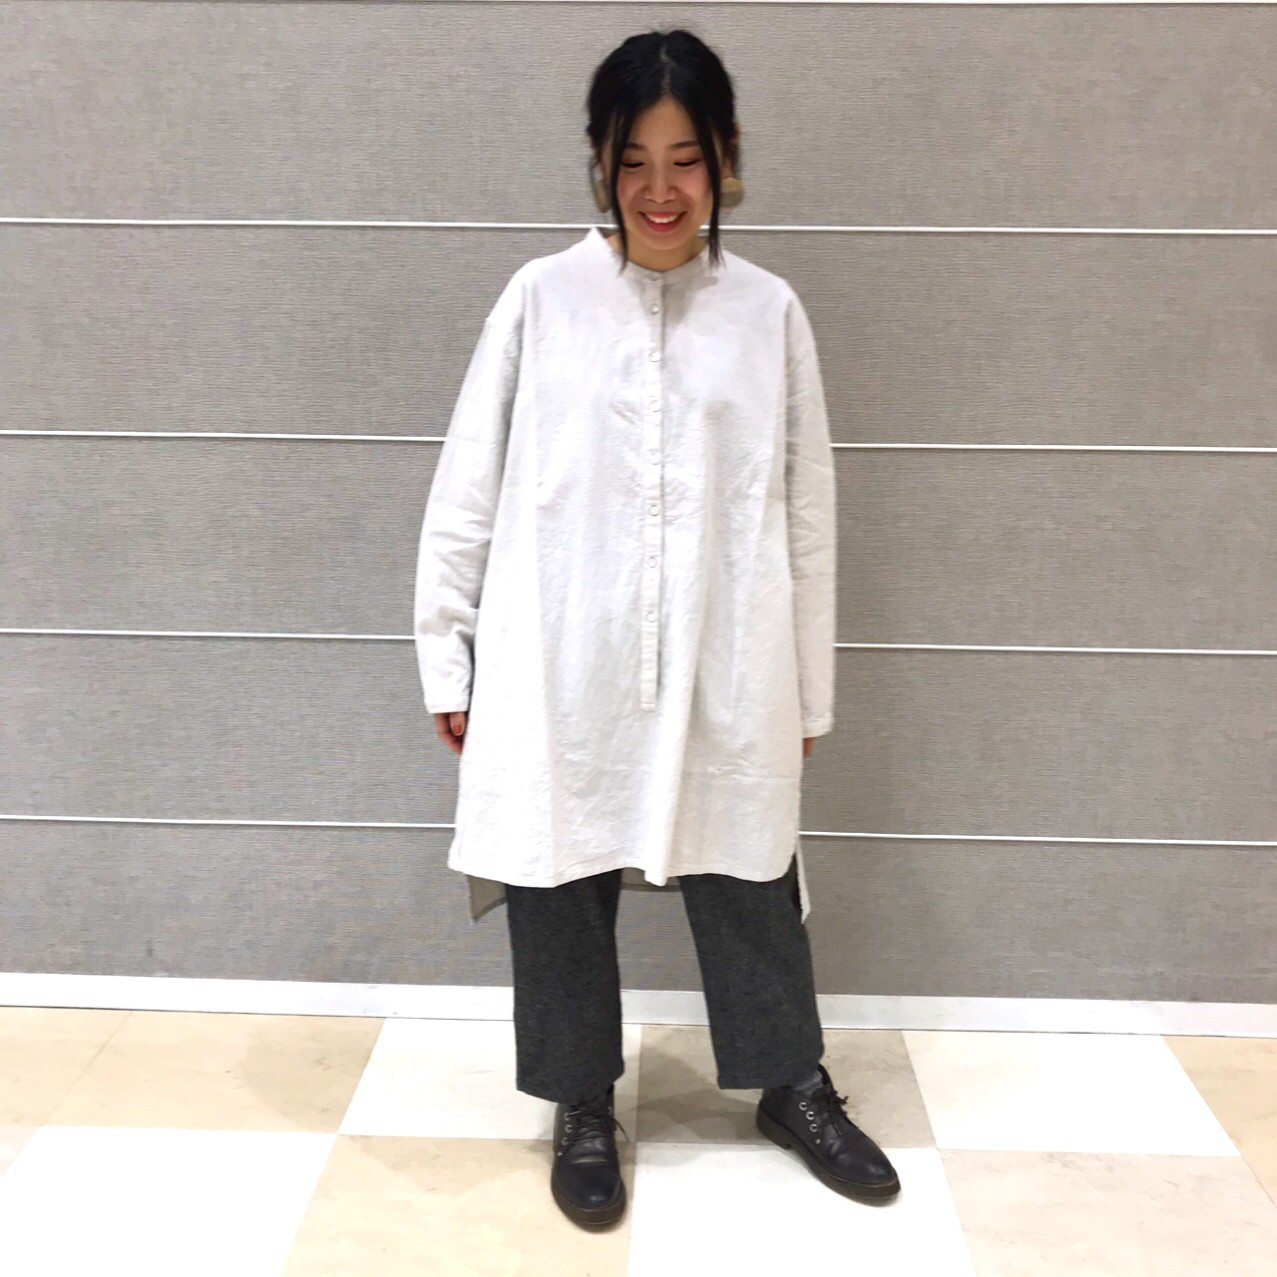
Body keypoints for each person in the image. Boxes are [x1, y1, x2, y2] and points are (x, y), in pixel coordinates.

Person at [413, 28, 900, 1228]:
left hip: (727, 651)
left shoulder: (766, 312)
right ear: (599, 161)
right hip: (558, 651)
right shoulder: (540, 299)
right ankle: (582, 1098)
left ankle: (789, 1082)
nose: (660, 189)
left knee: (747, 859)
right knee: (558, 865)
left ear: (725, 156)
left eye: (684, 158)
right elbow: (466, 486)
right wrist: (445, 649)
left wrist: (808, 688)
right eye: (632, 160)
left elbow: (806, 514)